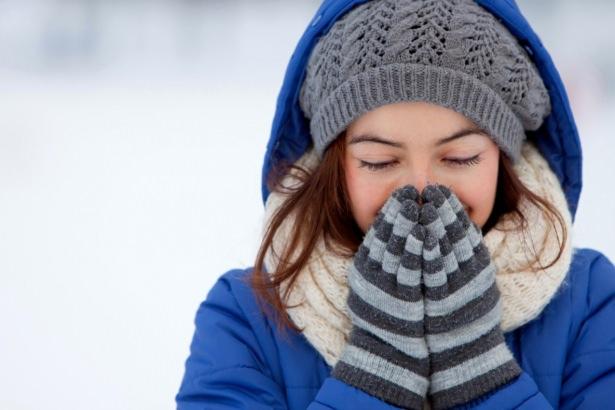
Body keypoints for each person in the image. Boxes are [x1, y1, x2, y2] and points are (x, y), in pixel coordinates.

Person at [176, 0, 615, 408]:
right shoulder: (246, 321)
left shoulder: (590, 303)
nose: (422, 189)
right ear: (336, 165)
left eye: (460, 158)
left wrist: (480, 374)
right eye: (379, 161)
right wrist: (375, 374)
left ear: (503, 158)